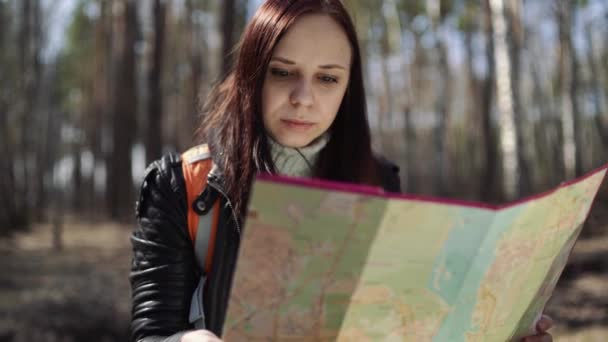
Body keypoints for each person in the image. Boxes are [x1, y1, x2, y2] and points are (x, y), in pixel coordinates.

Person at [129, 0, 554, 341]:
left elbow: (400, 320)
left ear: (349, 88)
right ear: (251, 76)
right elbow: (153, 332)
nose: (303, 97)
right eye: (282, 73)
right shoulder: (182, 185)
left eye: (327, 79)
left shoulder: (379, 182)